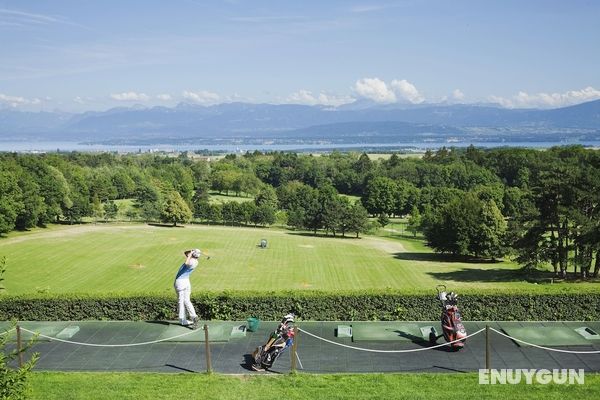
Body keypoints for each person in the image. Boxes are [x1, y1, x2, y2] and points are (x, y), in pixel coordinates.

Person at [174, 248, 201, 328]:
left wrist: (190, 255)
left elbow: (186, 263)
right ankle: (194, 317)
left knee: (181, 302)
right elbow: (185, 252)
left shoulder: (191, 261)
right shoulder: (196, 261)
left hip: (180, 282)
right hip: (186, 282)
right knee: (187, 301)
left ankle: (183, 320)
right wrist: (191, 251)